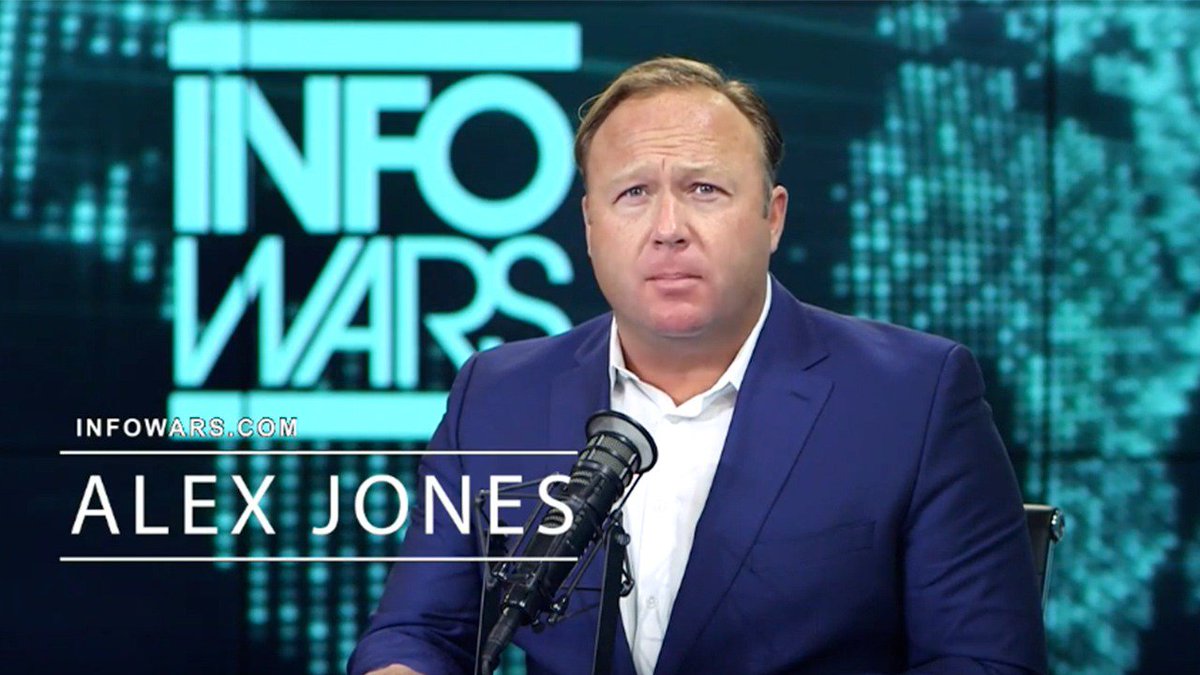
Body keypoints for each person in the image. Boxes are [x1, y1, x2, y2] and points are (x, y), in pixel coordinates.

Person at [349, 57, 1048, 675]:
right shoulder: (499, 396)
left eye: (705, 189)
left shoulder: (914, 396)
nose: (668, 229)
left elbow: (984, 659)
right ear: (590, 225)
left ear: (772, 217)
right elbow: (420, 630)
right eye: (633, 193)